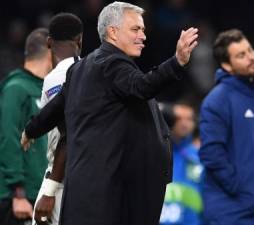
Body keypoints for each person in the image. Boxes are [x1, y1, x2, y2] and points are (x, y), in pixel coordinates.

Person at [21, 2, 198, 225]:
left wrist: (31, 130)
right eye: (135, 29)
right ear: (113, 32)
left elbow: (57, 108)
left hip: (94, 190)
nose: (143, 36)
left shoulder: (82, 68)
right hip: (112, 194)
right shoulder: (112, 63)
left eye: (143, 29)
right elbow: (143, 86)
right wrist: (177, 62)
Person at [199, 29, 254, 225]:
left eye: (250, 50)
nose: (251, 58)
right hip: (232, 213)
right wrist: (241, 188)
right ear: (227, 65)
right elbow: (211, 153)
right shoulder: (217, 100)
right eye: (241, 55)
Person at [26, 13, 83, 225]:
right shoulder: (92, 73)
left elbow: (67, 133)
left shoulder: (54, 79)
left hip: (59, 179)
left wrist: (50, 189)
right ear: (80, 40)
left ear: (49, 42)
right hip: (89, 175)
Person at [0, 28, 52, 225]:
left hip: (40, 193)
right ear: (50, 52)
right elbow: (8, 139)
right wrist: (18, 193)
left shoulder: (46, 90)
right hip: (19, 197)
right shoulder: (16, 89)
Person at [160, 103, 203, 225]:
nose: (184, 123)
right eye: (178, 118)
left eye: (189, 119)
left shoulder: (201, 157)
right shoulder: (157, 154)